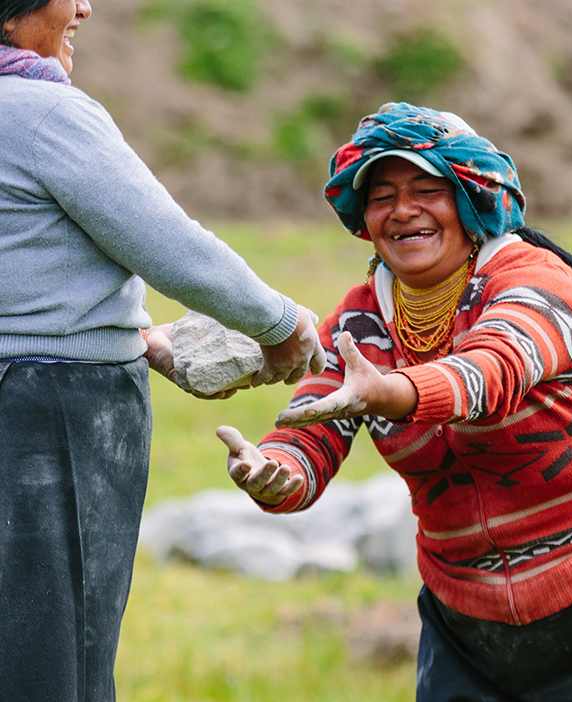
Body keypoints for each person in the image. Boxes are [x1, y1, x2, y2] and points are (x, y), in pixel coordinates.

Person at [218, 102, 572, 701]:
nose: (403, 211)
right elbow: (313, 426)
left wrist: (396, 392)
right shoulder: (362, 318)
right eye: (382, 196)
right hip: (470, 629)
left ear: (473, 198)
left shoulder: (535, 279)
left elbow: (490, 372)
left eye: (428, 189)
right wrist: (273, 472)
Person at [0, 2, 326, 700]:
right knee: (55, 654)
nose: (84, 5)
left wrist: (136, 337)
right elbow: (172, 249)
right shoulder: (39, 113)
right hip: (43, 416)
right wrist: (283, 327)